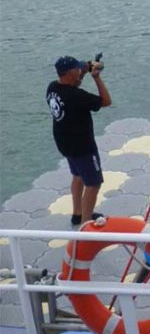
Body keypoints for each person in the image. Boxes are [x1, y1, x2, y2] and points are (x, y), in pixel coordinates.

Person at [46, 55, 111, 227]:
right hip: (83, 146)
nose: (80, 71)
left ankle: (77, 213)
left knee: (77, 176)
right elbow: (105, 101)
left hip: (64, 143)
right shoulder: (76, 96)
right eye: (77, 70)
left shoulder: (52, 88)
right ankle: (85, 225)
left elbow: (81, 68)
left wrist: (89, 66)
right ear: (70, 72)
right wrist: (96, 77)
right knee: (94, 183)